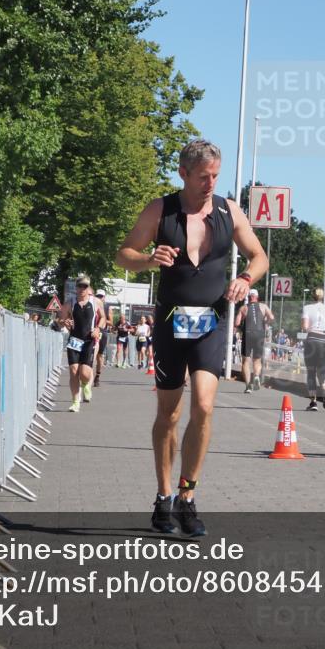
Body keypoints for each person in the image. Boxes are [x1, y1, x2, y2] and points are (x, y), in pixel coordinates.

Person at [116, 139, 267, 537]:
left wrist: (245, 278)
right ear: (184, 174)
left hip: (211, 322)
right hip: (169, 321)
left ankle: (187, 495)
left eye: (215, 176)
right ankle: (163, 495)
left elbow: (259, 255)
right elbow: (123, 253)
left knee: (204, 405)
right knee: (169, 414)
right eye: (204, 177)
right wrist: (149, 259)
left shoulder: (228, 210)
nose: (211, 183)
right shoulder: (161, 209)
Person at [57, 274, 105, 412]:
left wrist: (98, 328)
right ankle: (75, 401)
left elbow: (102, 318)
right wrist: (64, 321)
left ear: (88, 287)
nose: (83, 289)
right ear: (76, 288)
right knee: (73, 371)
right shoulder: (70, 303)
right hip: (74, 340)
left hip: (89, 340)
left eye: (85, 286)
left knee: (84, 373)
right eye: (80, 286)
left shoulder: (96, 302)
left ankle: (85, 384)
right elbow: (59, 320)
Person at [301, 288, 325, 411]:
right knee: (322, 372)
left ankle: (313, 402)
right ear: (323, 297)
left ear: (313, 296)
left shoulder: (307, 308)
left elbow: (305, 326)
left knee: (311, 372)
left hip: (312, 339)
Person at [235, 288, 275, 393]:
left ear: (249, 297)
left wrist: (242, 321)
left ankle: (248, 386)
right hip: (259, 334)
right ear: (257, 297)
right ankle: (256, 376)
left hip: (247, 333)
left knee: (245, 361)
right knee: (257, 360)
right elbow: (272, 317)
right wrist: (265, 322)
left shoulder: (243, 308)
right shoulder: (263, 306)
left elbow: (237, 323)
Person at [93, 290, 111, 386]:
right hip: (92, 331)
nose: (100, 298)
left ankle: (97, 376)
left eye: (101, 296)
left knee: (99, 356)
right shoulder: (92, 304)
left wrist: (102, 318)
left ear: (104, 297)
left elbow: (111, 322)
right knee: (90, 354)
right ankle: (88, 375)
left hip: (102, 332)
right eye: (98, 296)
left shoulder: (108, 307)